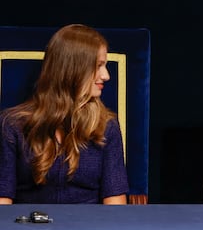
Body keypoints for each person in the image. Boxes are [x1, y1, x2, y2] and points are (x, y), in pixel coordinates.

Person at [0, 24, 129, 204]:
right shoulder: (12, 124)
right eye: (99, 65)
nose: (106, 75)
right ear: (73, 69)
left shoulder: (107, 126)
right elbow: (2, 201)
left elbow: (116, 206)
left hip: (90, 229)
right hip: (29, 228)